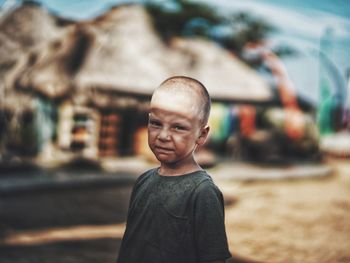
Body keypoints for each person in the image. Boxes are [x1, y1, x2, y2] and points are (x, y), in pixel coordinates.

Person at [117, 76, 231, 263]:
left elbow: (213, 258)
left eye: (178, 127)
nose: (163, 136)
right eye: (156, 123)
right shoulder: (144, 181)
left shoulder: (202, 192)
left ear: (201, 135)